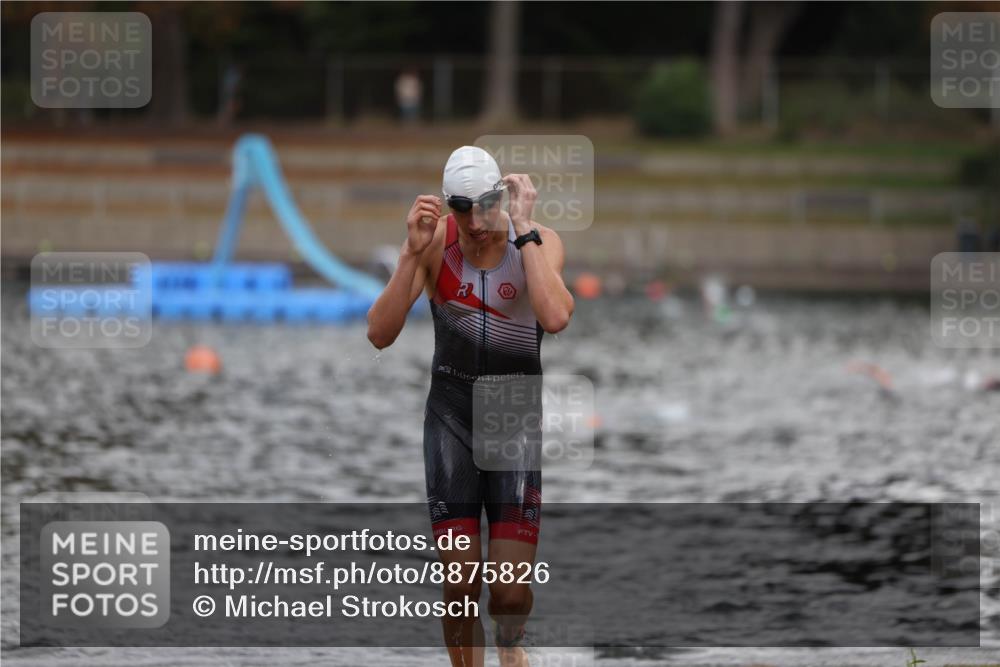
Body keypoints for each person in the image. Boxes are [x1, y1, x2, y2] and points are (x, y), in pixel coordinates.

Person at [366, 146, 574, 667]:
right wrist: (411, 255)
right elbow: (378, 334)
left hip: (513, 420)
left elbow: (555, 317)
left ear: (500, 197)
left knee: (505, 595)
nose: (475, 222)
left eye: (485, 205)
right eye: (462, 209)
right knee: (459, 586)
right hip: (451, 419)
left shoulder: (539, 241)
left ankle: (512, 644)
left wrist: (523, 229)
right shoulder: (434, 244)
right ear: (446, 206)